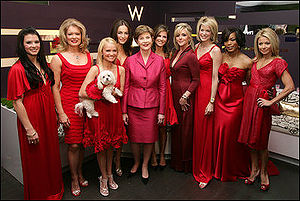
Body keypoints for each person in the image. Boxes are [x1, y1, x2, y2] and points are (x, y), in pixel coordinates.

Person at [7, 27, 64, 200]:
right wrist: (29, 129)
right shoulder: (17, 69)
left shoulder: (44, 65)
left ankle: (54, 192)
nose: (34, 45)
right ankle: (40, 195)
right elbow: (17, 102)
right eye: (29, 42)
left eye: (36, 42)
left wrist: (55, 114)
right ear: (22, 45)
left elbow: (50, 91)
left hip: (47, 116)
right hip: (32, 118)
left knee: (51, 156)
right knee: (36, 160)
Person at [238, 27, 295, 191]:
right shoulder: (254, 61)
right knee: (250, 141)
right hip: (249, 103)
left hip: (262, 107)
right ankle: (254, 170)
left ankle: (263, 173)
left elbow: (290, 86)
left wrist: (271, 101)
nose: (263, 46)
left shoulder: (278, 62)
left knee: (261, 142)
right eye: (260, 43)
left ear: (273, 43)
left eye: (267, 43)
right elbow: (249, 82)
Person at [79, 37, 128, 196]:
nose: (111, 53)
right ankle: (104, 178)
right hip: (99, 113)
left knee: (111, 146)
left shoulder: (121, 70)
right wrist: (100, 92)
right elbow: (82, 93)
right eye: (108, 50)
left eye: (114, 50)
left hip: (113, 112)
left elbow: (121, 94)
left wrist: (121, 110)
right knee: (101, 147)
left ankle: (110, 174)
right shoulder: (95, 69)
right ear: (101, 51)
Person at [50, 18, 92, 196]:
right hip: (68, 105)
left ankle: (80, 171)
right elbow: (54, 87)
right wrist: (60, 112)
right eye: (70, 34)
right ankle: (74, 177)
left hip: (87, 106)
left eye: (77, 33)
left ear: (82, 35)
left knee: (83, 143)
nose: (74, 37)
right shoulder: (57, 58)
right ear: (64, 36)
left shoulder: (88, 55)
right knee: (74, 144)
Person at [122, 25, 166, 184]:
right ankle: (136, 162)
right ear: (137, 40)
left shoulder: (159, 60)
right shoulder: (130, 60)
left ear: (152, 39)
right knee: (134, 138)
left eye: (148, 37)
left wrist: (161, 111)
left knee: (149, 138)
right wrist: (124, 111)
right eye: (142, 38)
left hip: (152, 106)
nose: (145, 41)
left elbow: (162, 87)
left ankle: (145, 165)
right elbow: (125, 86)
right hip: (133, 106)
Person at [213, 27, 252, 182]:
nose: (229, 43)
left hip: (236, 103)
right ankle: (217, 167)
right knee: (217, 133)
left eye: (233, 39)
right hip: (218, 100)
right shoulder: (219, 56)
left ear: (239, 41)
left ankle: (231, 168)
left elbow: (250, 85)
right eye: (227, 39)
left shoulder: (247, 61)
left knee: (230, 135)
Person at [192, 16, 222, 189]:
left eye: (207, 30)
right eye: (202, 29)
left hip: (207, 93)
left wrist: (211, 101)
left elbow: (215, 77)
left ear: (213, 32)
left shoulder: (215, 50)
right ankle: (197, 166)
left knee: (206, 132)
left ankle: (205, 171)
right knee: (198, 131)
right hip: (196, 91)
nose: (204, 33)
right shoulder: (196, 47)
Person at [170, 23, 200, 173]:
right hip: (174, 95)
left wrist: (185, 96)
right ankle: (177, 162)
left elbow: (196, 80)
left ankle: (186, 165)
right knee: (177, 129)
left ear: (189, 37)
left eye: (183, 35)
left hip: (185, 97)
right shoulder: (176, 53)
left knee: (186, 131)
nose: (180, 38)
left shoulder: (191, 55)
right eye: (177, 35)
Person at [151, 24, 178, 170]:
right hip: (151, 90)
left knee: (162, 126)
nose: (161, 39)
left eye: (164, 36)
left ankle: (161, 154)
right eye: (159, 36)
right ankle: (152, 155)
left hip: (166, 90)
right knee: (151, 125)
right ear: (154, 37)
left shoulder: (170, 55)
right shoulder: (148, 52)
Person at [109, 19, 133, 177]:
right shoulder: (109, 50)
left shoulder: (130, 52)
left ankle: (118, 161)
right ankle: (109, 164)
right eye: (120, 32)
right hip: (112, 99)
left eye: (125, 33)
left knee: (121, 132)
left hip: (128, 98)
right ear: (115, 33)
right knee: (111, 132)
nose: (123, 36)